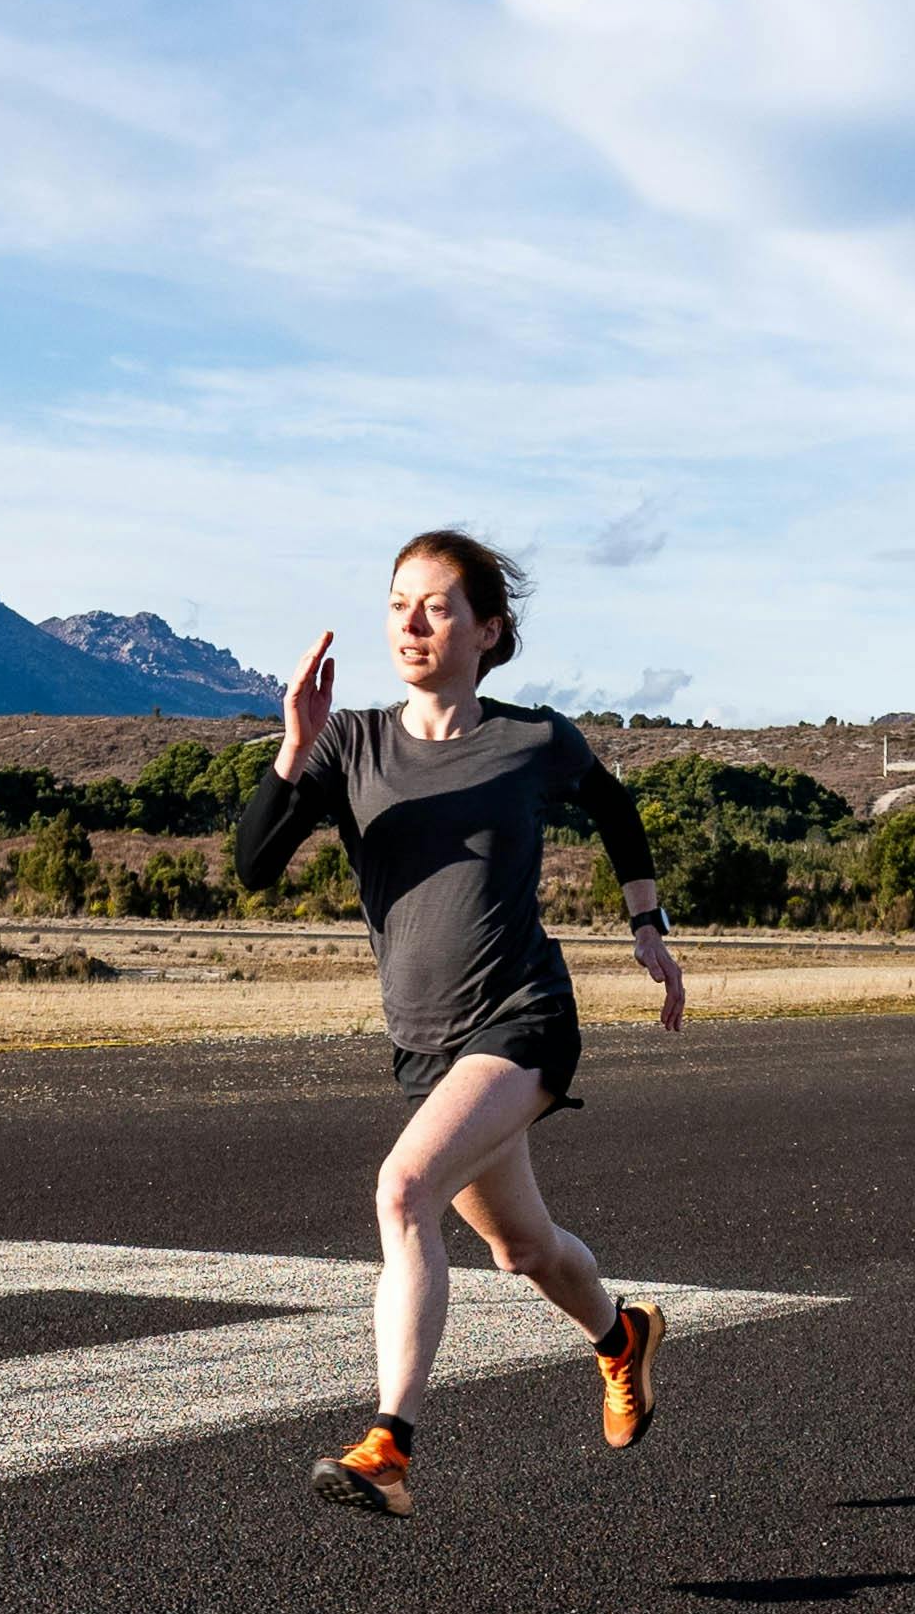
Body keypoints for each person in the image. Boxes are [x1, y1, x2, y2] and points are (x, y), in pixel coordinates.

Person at [230, 528, 687, 1510]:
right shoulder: (348, 744)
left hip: (522, 1018)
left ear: (486, 629)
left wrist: (645, 919)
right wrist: (290, 748)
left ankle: (388, 1447)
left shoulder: (531, 740)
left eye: (435, 605)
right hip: (424, 1047)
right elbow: (252, 866)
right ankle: (622, 1336)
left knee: (402, 1191)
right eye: (397, 601)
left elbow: (613, 806)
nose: (410, 620)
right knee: (520, 1249)